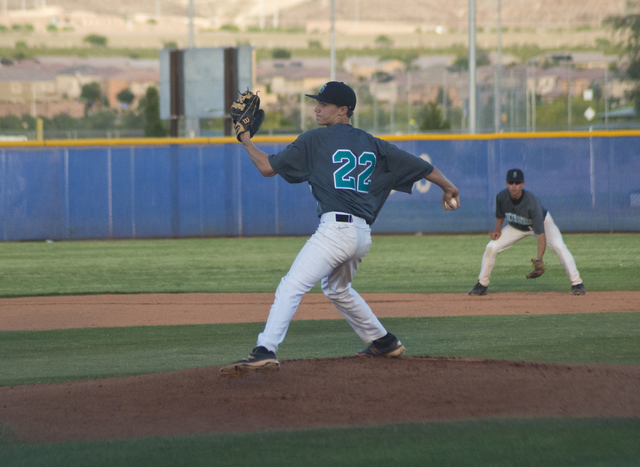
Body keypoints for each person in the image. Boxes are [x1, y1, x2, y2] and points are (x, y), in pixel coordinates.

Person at [220, 81, 460, 378]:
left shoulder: (315, 140)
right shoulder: (374, 143)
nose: (317, 108)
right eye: (317, 102)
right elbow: (424, 168)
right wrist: (448, 187)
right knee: (337, 288)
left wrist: (244, 138)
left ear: (343, 110)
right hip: (361, 235)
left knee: (291, 285)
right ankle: (383, 341)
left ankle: (265, 349)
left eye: (323, 104)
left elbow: (267, 167)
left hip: (335, 231)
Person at [468, 168, 585, 296]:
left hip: (542, 224)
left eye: (517, 183)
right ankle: (482, 284)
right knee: (491, 247)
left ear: (523, 184)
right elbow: (500, 214)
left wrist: (539, 259)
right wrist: (497, 229)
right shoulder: (501, 197)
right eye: (511, 183)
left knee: (559, 246)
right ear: (506, 183)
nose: (514, 186)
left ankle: (577, 283)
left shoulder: (532, 202)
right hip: (517, 226)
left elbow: (541, 234)